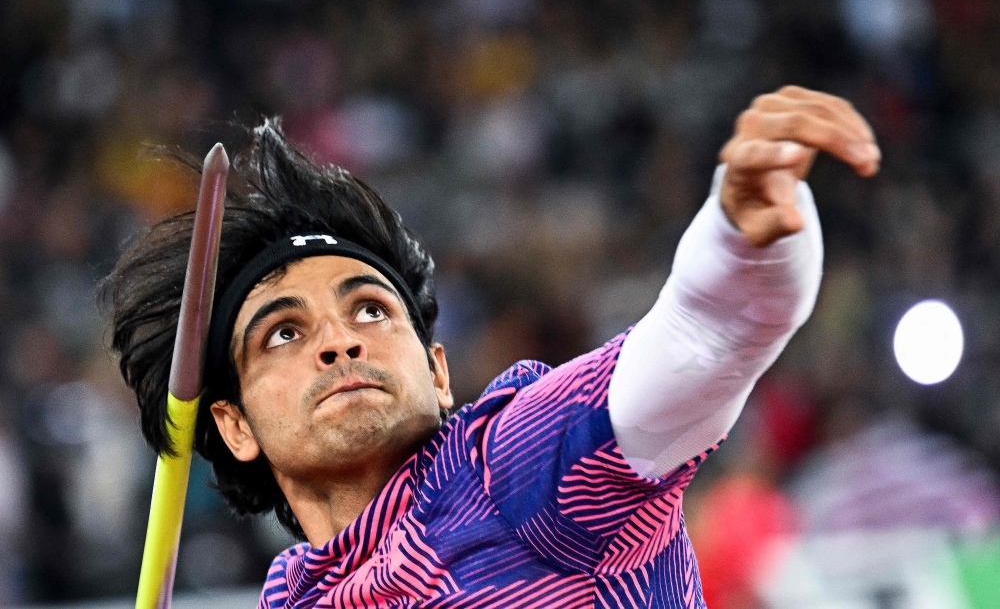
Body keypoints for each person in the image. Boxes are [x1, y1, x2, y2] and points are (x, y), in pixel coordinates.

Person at [100, 85, 879, 608]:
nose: (339, 343)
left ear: (439, 373)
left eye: (371, 311)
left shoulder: (505, 471)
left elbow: (700, 340)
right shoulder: (293, 595)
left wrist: (741, 247)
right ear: (233, 426)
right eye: (286, 332)